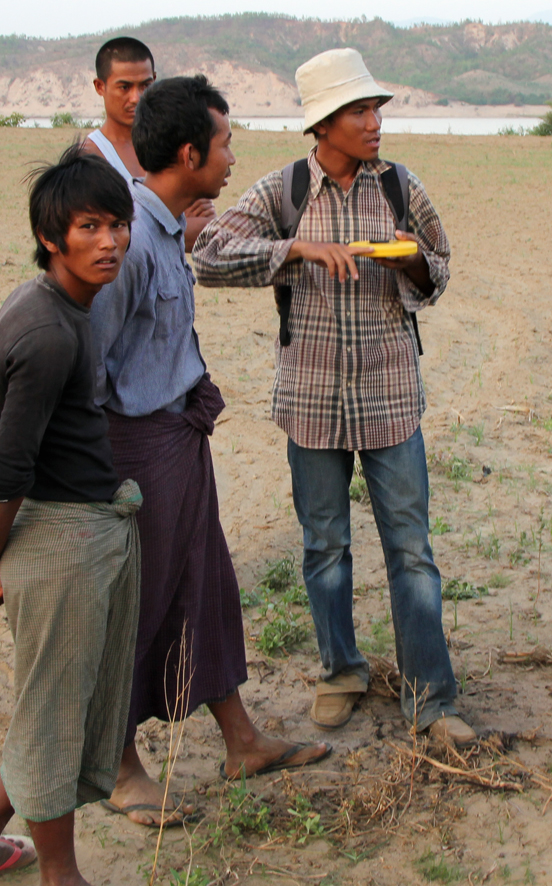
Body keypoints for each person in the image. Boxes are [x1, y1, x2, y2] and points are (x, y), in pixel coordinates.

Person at [192, 48, 474, 746]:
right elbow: (208, 257)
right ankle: (340, 670)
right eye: (359, 110)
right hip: (312, 401)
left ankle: (431, 697)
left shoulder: (403, 188)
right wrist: (296, 251)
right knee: (325, 547)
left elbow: (439, 267)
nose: (374, 121)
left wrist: (411, 259)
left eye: (376, 108)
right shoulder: (282, 191)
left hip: (389, 397)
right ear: (324, 123)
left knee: (411, 550)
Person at [91, 75, 330, 829]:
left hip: (174, 439)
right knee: (137, 604)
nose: (232, 157)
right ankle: (119, 765)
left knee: (206, 587)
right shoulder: (125, 242)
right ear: (190, 152)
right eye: (224, 143)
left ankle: (241, 740)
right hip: (134, 450)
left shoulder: (165, 227)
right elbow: (86, 373)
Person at [0, 144, 139, 883]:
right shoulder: (49, 330)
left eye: (117, 225)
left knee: (47, 710)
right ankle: (62, 874)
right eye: (89, 227)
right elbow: (7, 467)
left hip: (75, 525)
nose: (109, 242)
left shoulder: (58, 304)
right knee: (51, 719)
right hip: (56, 538)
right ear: (52, 237)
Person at [83, 37, 215, 250]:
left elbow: (203, 222)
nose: (136, 97)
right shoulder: (90, 157)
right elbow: (119, 239)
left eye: (145, 85)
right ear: (100, 86)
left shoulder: (170, 144)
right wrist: (196, 226)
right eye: (124, 87)